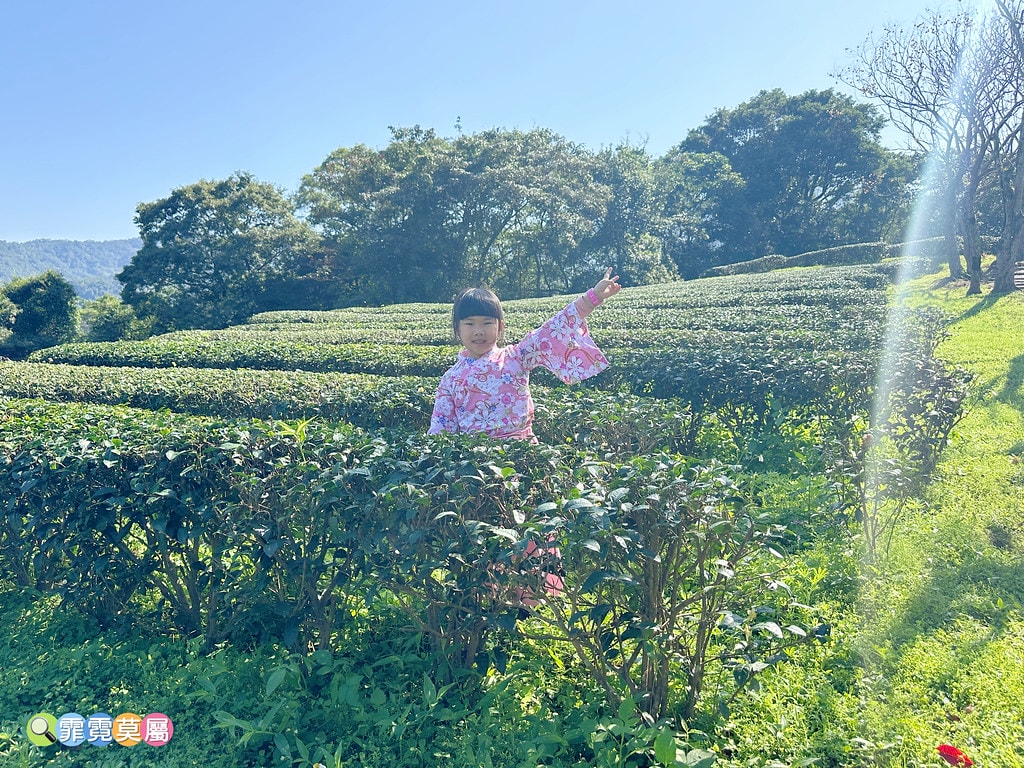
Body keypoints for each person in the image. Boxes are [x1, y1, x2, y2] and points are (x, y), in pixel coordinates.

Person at [429, 268, 622, 442]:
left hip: (522, 452)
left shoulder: (516, 356)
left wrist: (592, 298)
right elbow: (442, 429)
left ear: (500, 326)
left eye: (487, 323)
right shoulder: (451, 378)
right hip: (475, 461)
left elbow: (551, 329)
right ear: (457, 329)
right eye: (470, 324)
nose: (479, 331)